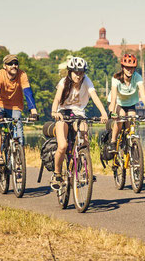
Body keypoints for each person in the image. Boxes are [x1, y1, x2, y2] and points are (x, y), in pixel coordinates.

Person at [49, 56, 108, 190]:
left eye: (81, 72)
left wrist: (103, 113)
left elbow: (95, 97)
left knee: (84, 138)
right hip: (63, 112)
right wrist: (54, 112)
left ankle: (83, 169)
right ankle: (57, 174)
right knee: (62, 145)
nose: (79, 75)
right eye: (76, 72)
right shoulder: (64, 82)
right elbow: (57, 99)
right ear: (70, 72)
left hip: (78, 113)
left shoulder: (86, 81)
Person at [0, 54, 38, 166]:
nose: (14, 66)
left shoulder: (22, 75)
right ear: (4, 66)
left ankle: (18, 163)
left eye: (16, 63)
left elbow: (28, 93)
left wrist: (33, 111)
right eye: (10, 64)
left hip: (15, 106)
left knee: (18, 130)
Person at [107, 53, 145, 153]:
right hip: (117, 103)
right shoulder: (116, 78)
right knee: (121, 117)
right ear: (123, 67)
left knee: (132, 119)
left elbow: (143, 95)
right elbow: (114, 98)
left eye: (132, 68)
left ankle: (129, 144)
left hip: (130, 104)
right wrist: (112, 112)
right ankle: (113, 141)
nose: (130, 70)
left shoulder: (137, 77)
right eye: (127, 68)